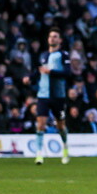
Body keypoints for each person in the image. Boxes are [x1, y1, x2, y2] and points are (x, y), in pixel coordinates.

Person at [35, 27, 70, 165]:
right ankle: (39, 154)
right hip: (42, 95)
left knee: (60, 126)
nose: (52, 38)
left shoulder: (64, 55)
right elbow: (39, 72)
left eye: (55, 36)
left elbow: (67, 73)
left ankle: (65, 147)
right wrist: (30, 78)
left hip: (58, 95)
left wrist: (51, 72)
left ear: (60, 40)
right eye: (50, 36)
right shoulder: (43, 55)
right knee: (40, 124)